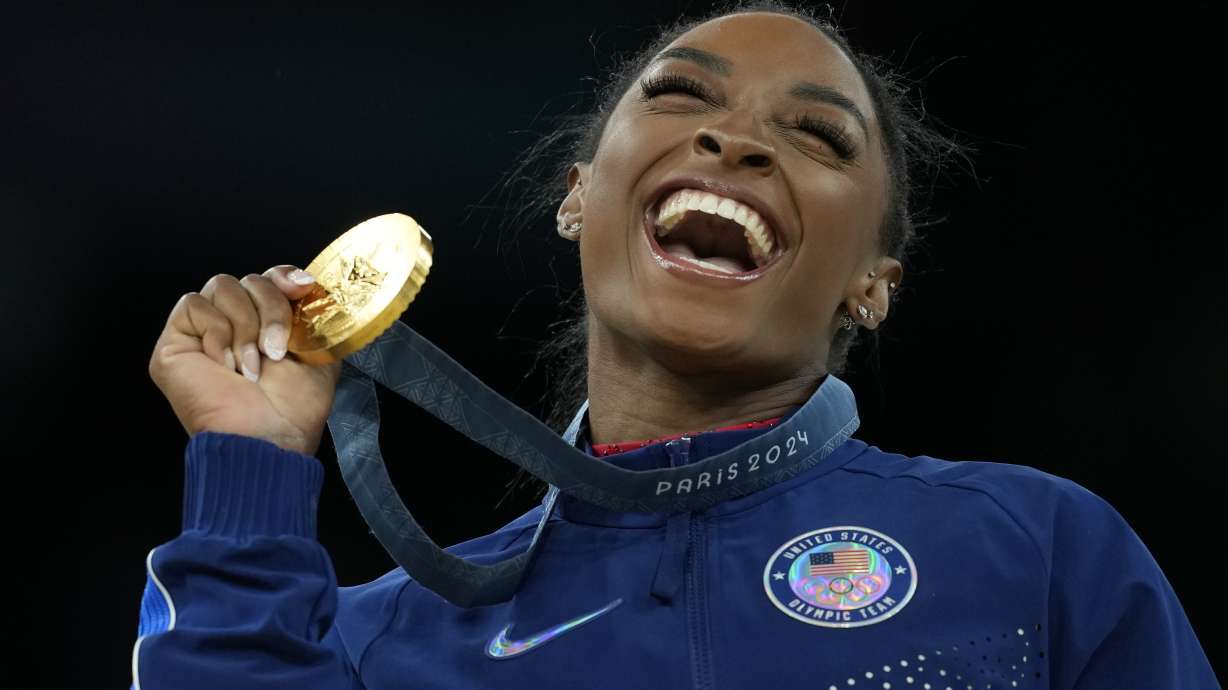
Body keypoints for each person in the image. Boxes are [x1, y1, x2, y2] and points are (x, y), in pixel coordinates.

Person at [132, 2, 1220, 689]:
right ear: (578, 200)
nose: (734, 138)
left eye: (815, 135)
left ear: (872, 286)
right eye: (681, 96)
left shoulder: (1037, 554)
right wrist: (252, 468)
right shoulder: (389, 645)